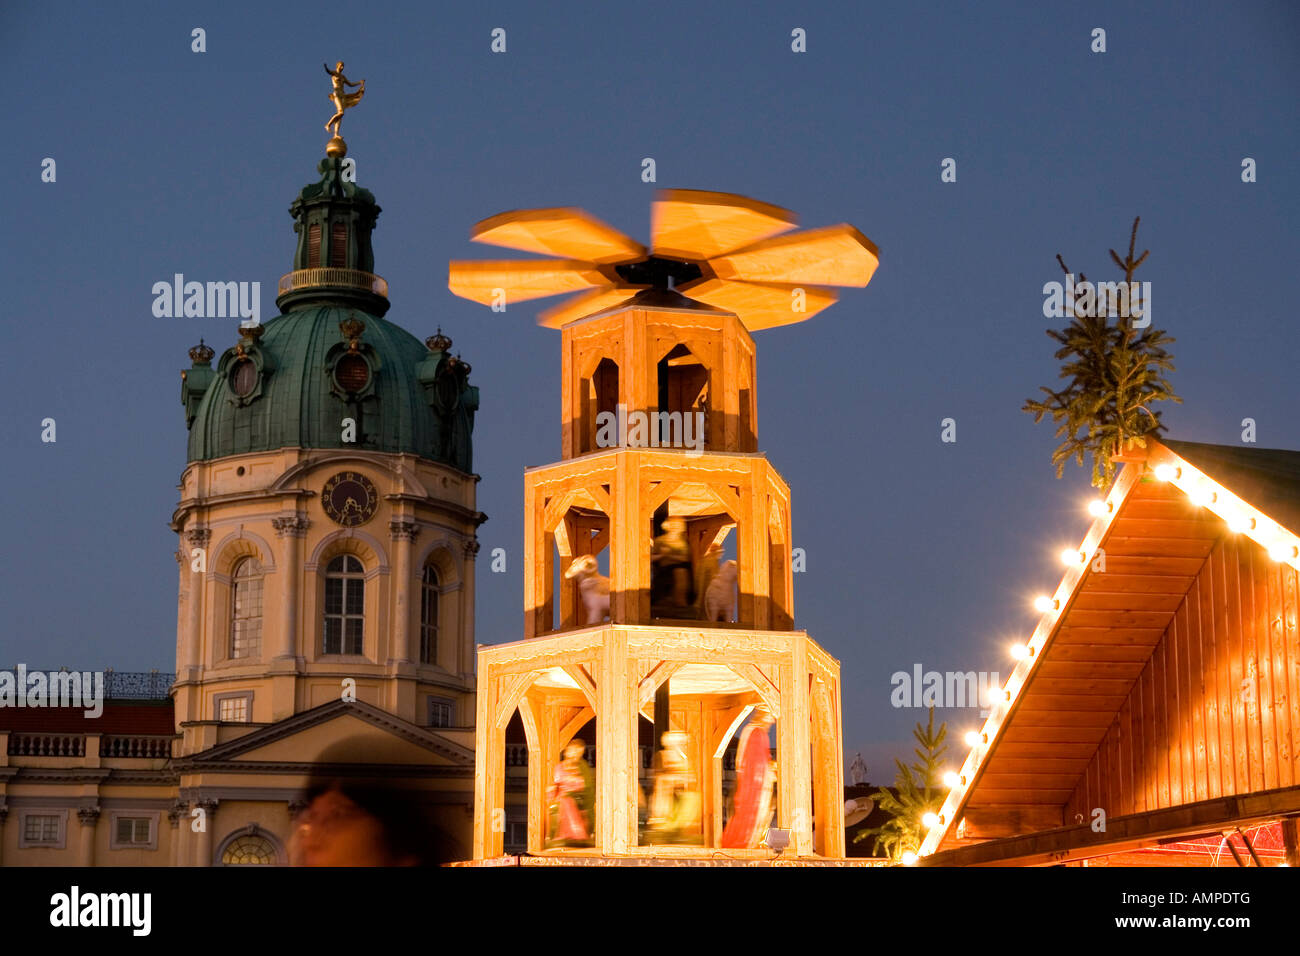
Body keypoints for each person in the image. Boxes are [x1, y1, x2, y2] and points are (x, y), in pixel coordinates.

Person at [721, 706, 776, 849]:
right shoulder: (756, 733)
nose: (771, 722)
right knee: (749, 818)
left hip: (752, 785)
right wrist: (769, 772)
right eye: (769, 717)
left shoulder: (752, 732)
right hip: (753, 788)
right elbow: (756, 765)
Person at [546, 739, 595, 847]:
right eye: (574, 752)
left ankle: (584, 834)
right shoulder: (560, 767)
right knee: (567, 802)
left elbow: (585, 785)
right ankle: (572, 834)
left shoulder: (581, 767)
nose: (576, 756)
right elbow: (556, 785)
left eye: (579, 753)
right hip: (564, 796)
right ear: (568, 752)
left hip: (580, 797)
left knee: (576, 803)